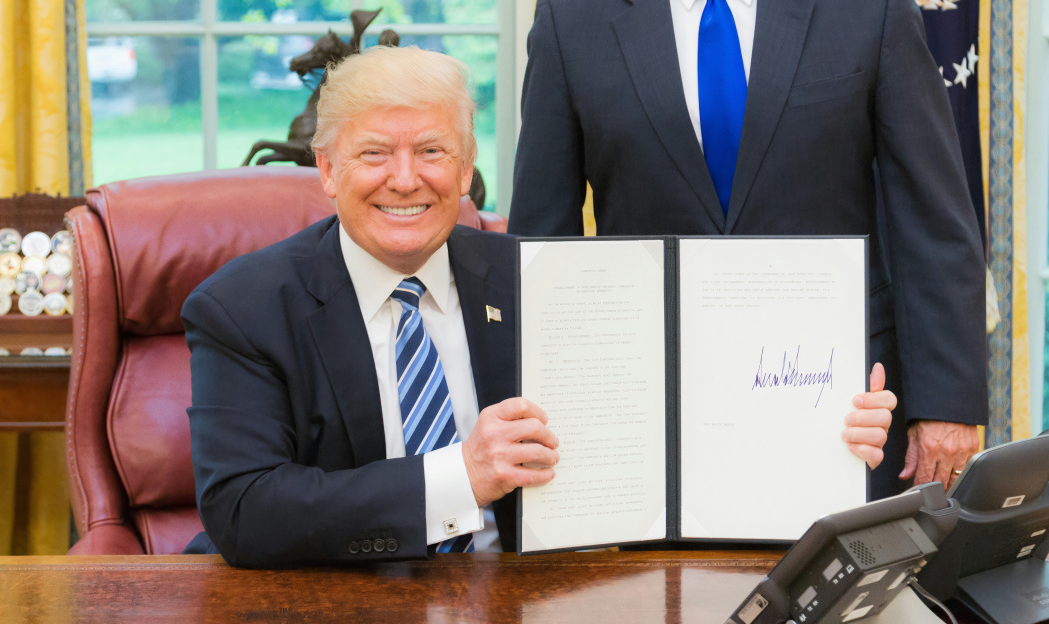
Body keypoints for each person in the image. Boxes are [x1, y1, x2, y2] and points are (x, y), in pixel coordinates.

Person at [182, 45, 894, 569]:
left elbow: (673, 428)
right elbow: (246, 511)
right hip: (335, 599)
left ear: (465, 171)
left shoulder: (544, 281)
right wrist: (463, 476)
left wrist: (816, 431)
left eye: (432, 150)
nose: (405, 180)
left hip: (530, 593)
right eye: (374, 154)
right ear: (328, 171)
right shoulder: (242, 309)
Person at [509, 0, 985, 499]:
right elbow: (541, 245)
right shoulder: (570, 17)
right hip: (652, 427)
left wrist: (946, 405)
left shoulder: (873, 9)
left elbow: (931, 216)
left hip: (849, 417)